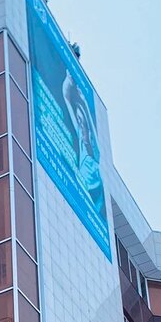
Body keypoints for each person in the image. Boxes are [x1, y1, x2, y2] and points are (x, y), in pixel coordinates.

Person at [61, 70, 105, 217]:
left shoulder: (95, 154)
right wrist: (68, 79)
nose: (80, 126)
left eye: (82, 123)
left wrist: (83, 102)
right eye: (79, 122)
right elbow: (67, 99)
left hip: (96, 197)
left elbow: (90, 124)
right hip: (87, 197)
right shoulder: (82, 147)